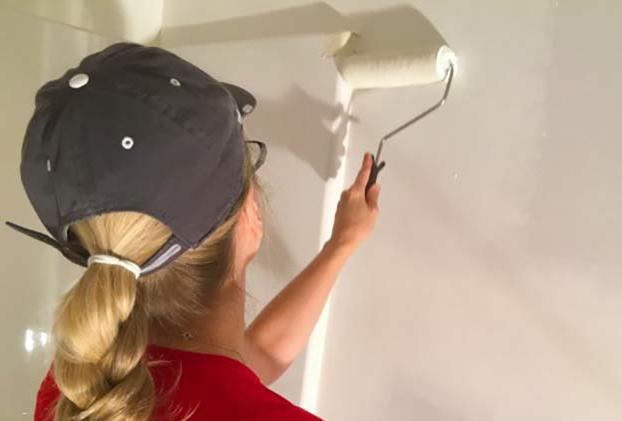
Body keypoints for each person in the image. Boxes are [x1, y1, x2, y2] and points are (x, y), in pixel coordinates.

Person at [8, 42, 382, 420]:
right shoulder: (85, 383)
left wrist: (340, 246)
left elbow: (245, 366)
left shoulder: (83, 388)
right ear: (249, 211)